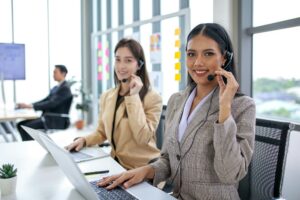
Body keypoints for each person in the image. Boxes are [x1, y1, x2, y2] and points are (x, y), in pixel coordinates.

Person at [97, 23, 256, 200]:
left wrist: (225, 109)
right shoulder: (176, 100)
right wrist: (145, 171)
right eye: (191, 54)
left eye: (208, 54)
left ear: (225, 58)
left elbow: (229, 174)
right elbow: (169, 159)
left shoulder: (242, 106)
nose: (198, 62)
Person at [66, 38, 162, 170]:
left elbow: (143, 138)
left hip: (142, 169)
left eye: (128, 60)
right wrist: (84, 140)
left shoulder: (152, 98)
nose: (121, 66)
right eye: (118, 59)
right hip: (116, 165)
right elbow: (101, 132)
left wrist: (133, 95)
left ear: (139, 65)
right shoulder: (108, 96)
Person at [17, 65, 72, 141]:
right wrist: (29, 105)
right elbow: (45, 100)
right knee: (20, 125)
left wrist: (31, 107)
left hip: (56, 120)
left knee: (25, 128)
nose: (53, 75)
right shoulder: (57, 88)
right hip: (48, 117)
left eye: (55, 72)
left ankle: (29, 146)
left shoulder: (65, 88)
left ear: (63, 73)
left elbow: (51, 103)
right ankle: (27, 144)